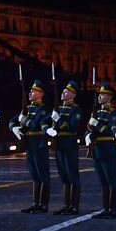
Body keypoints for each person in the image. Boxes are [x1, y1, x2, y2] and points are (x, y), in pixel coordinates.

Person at [10, 78, 52, 213]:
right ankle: (36, 203)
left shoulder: (44, 109)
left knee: (43, 175)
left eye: (34, 91)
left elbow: (34, 125)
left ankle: (44, 204)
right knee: (34, 175)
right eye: (31, 91)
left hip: (39, 144)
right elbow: (12, 120)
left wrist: (24, 120)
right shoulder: (27, 108)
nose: (30, 93)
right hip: (29, 145)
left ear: (41, 94)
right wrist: (14, 128)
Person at [86, 81, 116, 218]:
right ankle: (106, 208)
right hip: (96, 149)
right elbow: (88, 128)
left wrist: (98, 125)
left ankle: (113, 209)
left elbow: (111, 129)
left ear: (110, 97)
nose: (100, 96)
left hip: (107, 149)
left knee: (111, 180)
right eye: (100, 94)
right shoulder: (96, 112)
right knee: (103, 181)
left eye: (103, 94)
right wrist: (87, 136)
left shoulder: (114, 113)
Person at [49, 79, 85, 214]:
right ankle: (67, 205)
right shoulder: (58, 108)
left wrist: (58, 119)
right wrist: (49, 128)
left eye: (67, 91)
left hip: (69, 144)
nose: (63, 93)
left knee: (72, 176)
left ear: (73, 95)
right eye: (64, 91)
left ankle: (74, 206)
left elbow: (72, 127)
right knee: (64, 176)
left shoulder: (75, 110)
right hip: (59, 144)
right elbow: (48, 122)